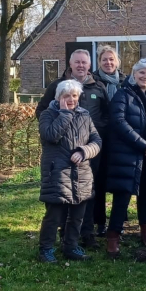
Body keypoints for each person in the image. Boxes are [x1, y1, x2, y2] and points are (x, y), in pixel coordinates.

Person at [35, 49, 109, 249]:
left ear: (89, 65)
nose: (81, 66)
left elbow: (105, 115)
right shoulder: (56, 87)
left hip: (86, 153)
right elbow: (42, 114)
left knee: (85, 194)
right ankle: (57, 239)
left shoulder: (98, 87)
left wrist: (89, 146)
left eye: (84, 62)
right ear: (70, 64)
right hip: (60, 157)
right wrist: (59, 119)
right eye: (77, 62)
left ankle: (85, 234)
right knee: (60, 199)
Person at [106, 59, 146, 255]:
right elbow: (118, 123)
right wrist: (143, 146)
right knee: (122, 198)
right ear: (134, 74)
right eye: (142, 73)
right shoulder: (123, 95)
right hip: (128, 156)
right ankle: (113, 237)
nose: (145, 76)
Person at [90, 45, 128, 237]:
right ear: (99, 62)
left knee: (121, 179)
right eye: (104, 59)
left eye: (111, 59)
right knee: (100, 180)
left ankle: (119, 219)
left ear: (117, 62)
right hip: (100, 138)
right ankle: (100, 222)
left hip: (121, 139)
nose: (108, 62)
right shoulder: (92, 82)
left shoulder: (126, 82)